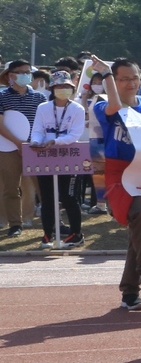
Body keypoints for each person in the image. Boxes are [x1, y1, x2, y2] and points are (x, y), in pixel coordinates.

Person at [89, 57, 141, 309]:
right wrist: (105, 74)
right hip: (118, 174)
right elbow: (116, 104)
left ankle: (129, 293)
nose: (130, 83)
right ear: (112, 81)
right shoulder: (102, 103)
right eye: (123, 78)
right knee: (140, 214)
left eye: (134, 77)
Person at [27, 72, 86, 247]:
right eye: (60, 86)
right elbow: (38, 129)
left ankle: (76, 234)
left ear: (72, 89)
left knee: (68, 197)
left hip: (69, 156)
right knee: (47, 197)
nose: (63, 90)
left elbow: (75, 134)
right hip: (46, 156)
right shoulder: (43, 107)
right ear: (53, 88)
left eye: (67, 86)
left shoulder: (77, 109)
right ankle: (47, 234)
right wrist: (36, 141)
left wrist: (55, 141)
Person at [0, 59, 42, 234]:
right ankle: (15, 224)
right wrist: (18, 143)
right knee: (10, 187)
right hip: (8, 147)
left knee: (40, 187)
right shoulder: (2, 96)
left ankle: (50, 221)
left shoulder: (40, 97)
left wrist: (34, 143)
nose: (26, 75)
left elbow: (44, 122)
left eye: (28, 72)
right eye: (22, 72)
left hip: (35, 148)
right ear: (11, 75)